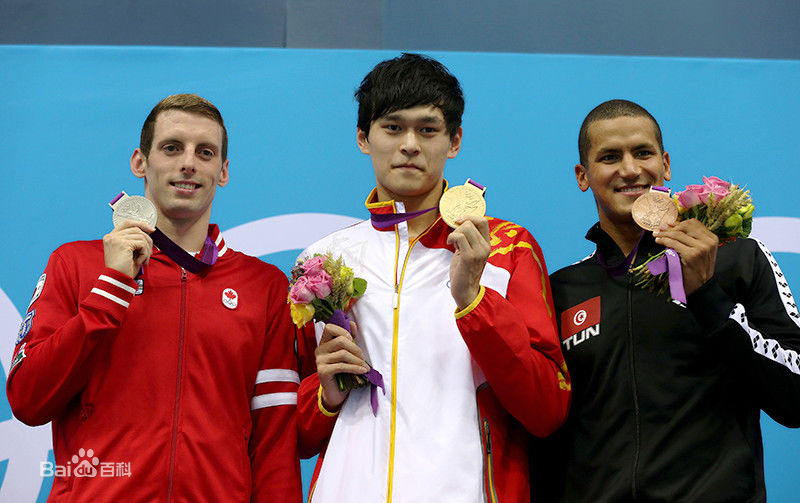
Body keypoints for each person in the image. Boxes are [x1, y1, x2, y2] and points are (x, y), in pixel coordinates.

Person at [294, 53, 570, 502]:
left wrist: (473, 302)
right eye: (392, 127)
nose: (409, 144)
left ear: (454, 140)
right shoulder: (324, 261)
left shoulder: (504, 249)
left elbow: (547, 409)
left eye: (428, 129)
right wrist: (325, 395)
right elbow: (299, 436)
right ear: (363, 138)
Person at [7, 94, 302, 502]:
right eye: (172, 148)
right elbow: (28, 400)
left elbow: (274, 443)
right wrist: (111, 288)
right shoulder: (75, 264)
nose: (189, 163)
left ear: (224, 171)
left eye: (205, 152)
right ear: (139, 162)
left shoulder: (264, 286)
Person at [533, 99, 800, 502]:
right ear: (583, 176)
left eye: (643, 153)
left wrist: (708, 295)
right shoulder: (563, 290)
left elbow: (795, 397)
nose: (629, 169)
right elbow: (547, 434)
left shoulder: (736, 258)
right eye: (609, 157)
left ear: (666, 164)